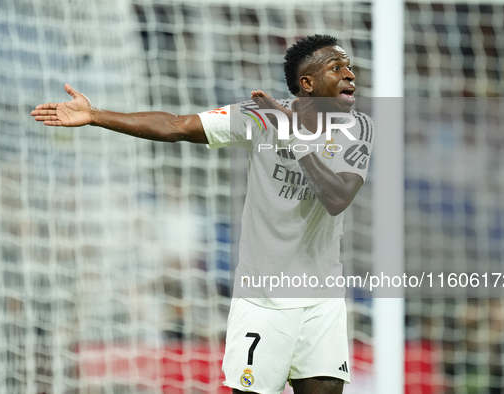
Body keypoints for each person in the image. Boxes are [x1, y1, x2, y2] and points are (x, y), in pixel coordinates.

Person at [32, 34, 374, 394]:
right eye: (337, 67)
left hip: (322, 298)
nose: (350, 74)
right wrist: (96, 115)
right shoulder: (259, 117)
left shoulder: (357, 129)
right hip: (262, 300)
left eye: (349, 66)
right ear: (308, 83)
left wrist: (294, 137)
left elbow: (337, 197)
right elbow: (177, 125)